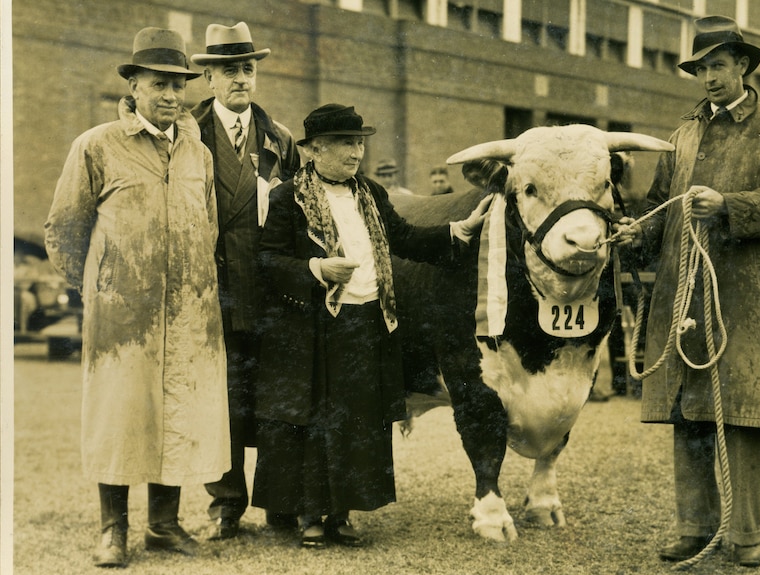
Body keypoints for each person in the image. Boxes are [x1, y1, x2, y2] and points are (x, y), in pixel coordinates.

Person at [615, 16, 760, 568]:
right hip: (687, 299)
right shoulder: (682, 135)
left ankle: (746, 535)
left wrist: (728, 205)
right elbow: (662, 203)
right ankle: (694, 526)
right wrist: (638, 233)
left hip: (749, 301)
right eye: (701, 68)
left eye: (718, 66)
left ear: (743, 67)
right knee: (689, 412)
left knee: (746, 415)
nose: (708, 77)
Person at [250, 103, 488, 549]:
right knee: (318, 422)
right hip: (312, 329)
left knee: (358, 423)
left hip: (368, 325)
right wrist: (317, 268)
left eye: (359, 142)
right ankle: (310, 516)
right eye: (345, 142)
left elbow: (406, 239)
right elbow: (267, 261)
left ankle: (341, 514)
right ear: (314, 149)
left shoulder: (372, 194)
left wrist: (458, 232)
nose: (356, 152)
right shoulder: (287, 198)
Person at [43, 28, 230, 568]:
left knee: (176, 413)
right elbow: (64, 228)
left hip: (189, 312)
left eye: (179, 85)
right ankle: (113, 530)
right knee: (119, 417)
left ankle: (164, 527)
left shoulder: (197, 150)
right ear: (134, 85)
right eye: (159, 84)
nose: (171, 95)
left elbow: (210, 227)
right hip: (121, 316)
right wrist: (99, 289)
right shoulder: (97, 145)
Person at [189, 21, 301, 541]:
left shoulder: (280, 138)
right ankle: (226, 503)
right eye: (229, 70)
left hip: (273, 291)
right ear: (208, 77)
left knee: (277, 397)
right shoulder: (188, 134)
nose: (240, 79)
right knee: (222, 399)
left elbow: (300, 218)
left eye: (247, 68)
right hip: (213, 289)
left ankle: (279, 503)